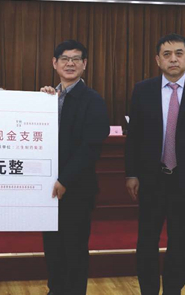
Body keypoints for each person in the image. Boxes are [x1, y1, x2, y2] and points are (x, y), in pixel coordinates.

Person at [125, 33, 185, 295]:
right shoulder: (143, 90)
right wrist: (131, 173)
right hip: (151, 179)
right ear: (157, 60)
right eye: (167, 54)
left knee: (179, 241)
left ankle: (173, 290)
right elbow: (134, 137)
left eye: (179, 53)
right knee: (146, 241)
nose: (173, 59)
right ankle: (148, 290)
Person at [40, 40, 110, 295]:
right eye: (64, 58)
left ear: (84, 64)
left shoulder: (93, 100)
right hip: (47, 189)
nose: (70, 63)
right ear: (54, 63)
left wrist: (65, 179)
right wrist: (40, 103)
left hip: (76, 188)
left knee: (75, 250)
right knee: (52, 248)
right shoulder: (46, 98)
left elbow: (91, 147)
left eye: (76, 59)